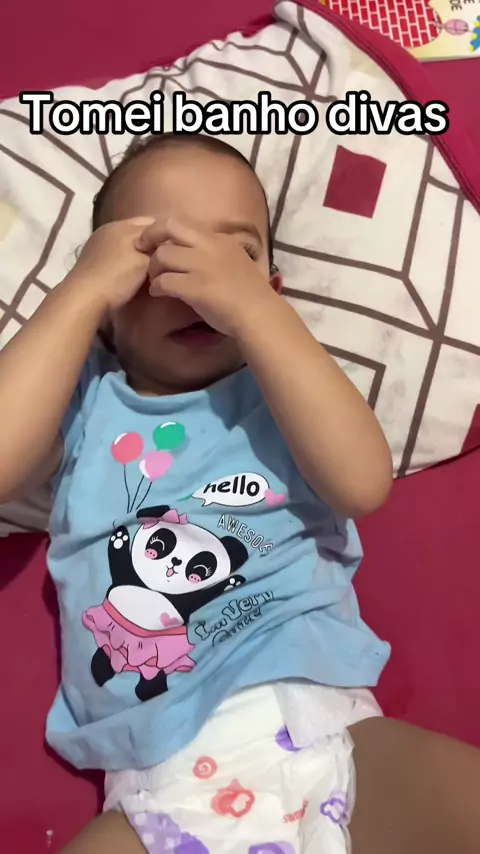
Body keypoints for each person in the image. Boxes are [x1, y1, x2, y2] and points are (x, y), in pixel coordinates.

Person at [0, 133, 478, 854]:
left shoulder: (283, 383)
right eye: (156, 256)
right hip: (158, 782)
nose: (199, 279)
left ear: (272, 288)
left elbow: (361, 482)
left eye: (235, 254)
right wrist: (79, 295)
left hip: (330, 731)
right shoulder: (87, 401)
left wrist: (258, 314)